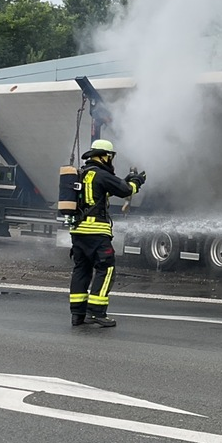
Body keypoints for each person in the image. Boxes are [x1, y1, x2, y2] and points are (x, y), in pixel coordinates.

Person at [69, 139, 146, 328]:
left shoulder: (83, 174)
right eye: (109, 156)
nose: (110, 160)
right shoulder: (101, 174)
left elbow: (105, 192)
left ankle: (78, 314)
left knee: (82, 270)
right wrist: (136, 181)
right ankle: (97, 312)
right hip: (96, 232)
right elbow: (126, 190)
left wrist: (125, 179)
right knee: (106, 269)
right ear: (104, 156)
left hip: (78, 232)